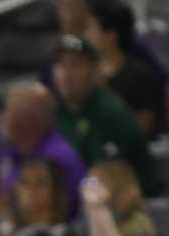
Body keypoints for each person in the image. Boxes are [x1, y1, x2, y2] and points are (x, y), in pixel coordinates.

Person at [52, 36, 158, 197]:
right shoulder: (56, 112)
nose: (66, 73)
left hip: (131, 208)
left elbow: (106, 180)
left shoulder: (111, 114)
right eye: (60, 64)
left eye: (75, 64)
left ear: (95, 70)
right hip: (81, 206)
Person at [79, 0, 164, 140]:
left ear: (111, 35)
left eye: (91, 29)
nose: (86, 35)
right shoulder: (88, 73)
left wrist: (106, 94)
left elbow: (143, 128)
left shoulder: (140, 75)